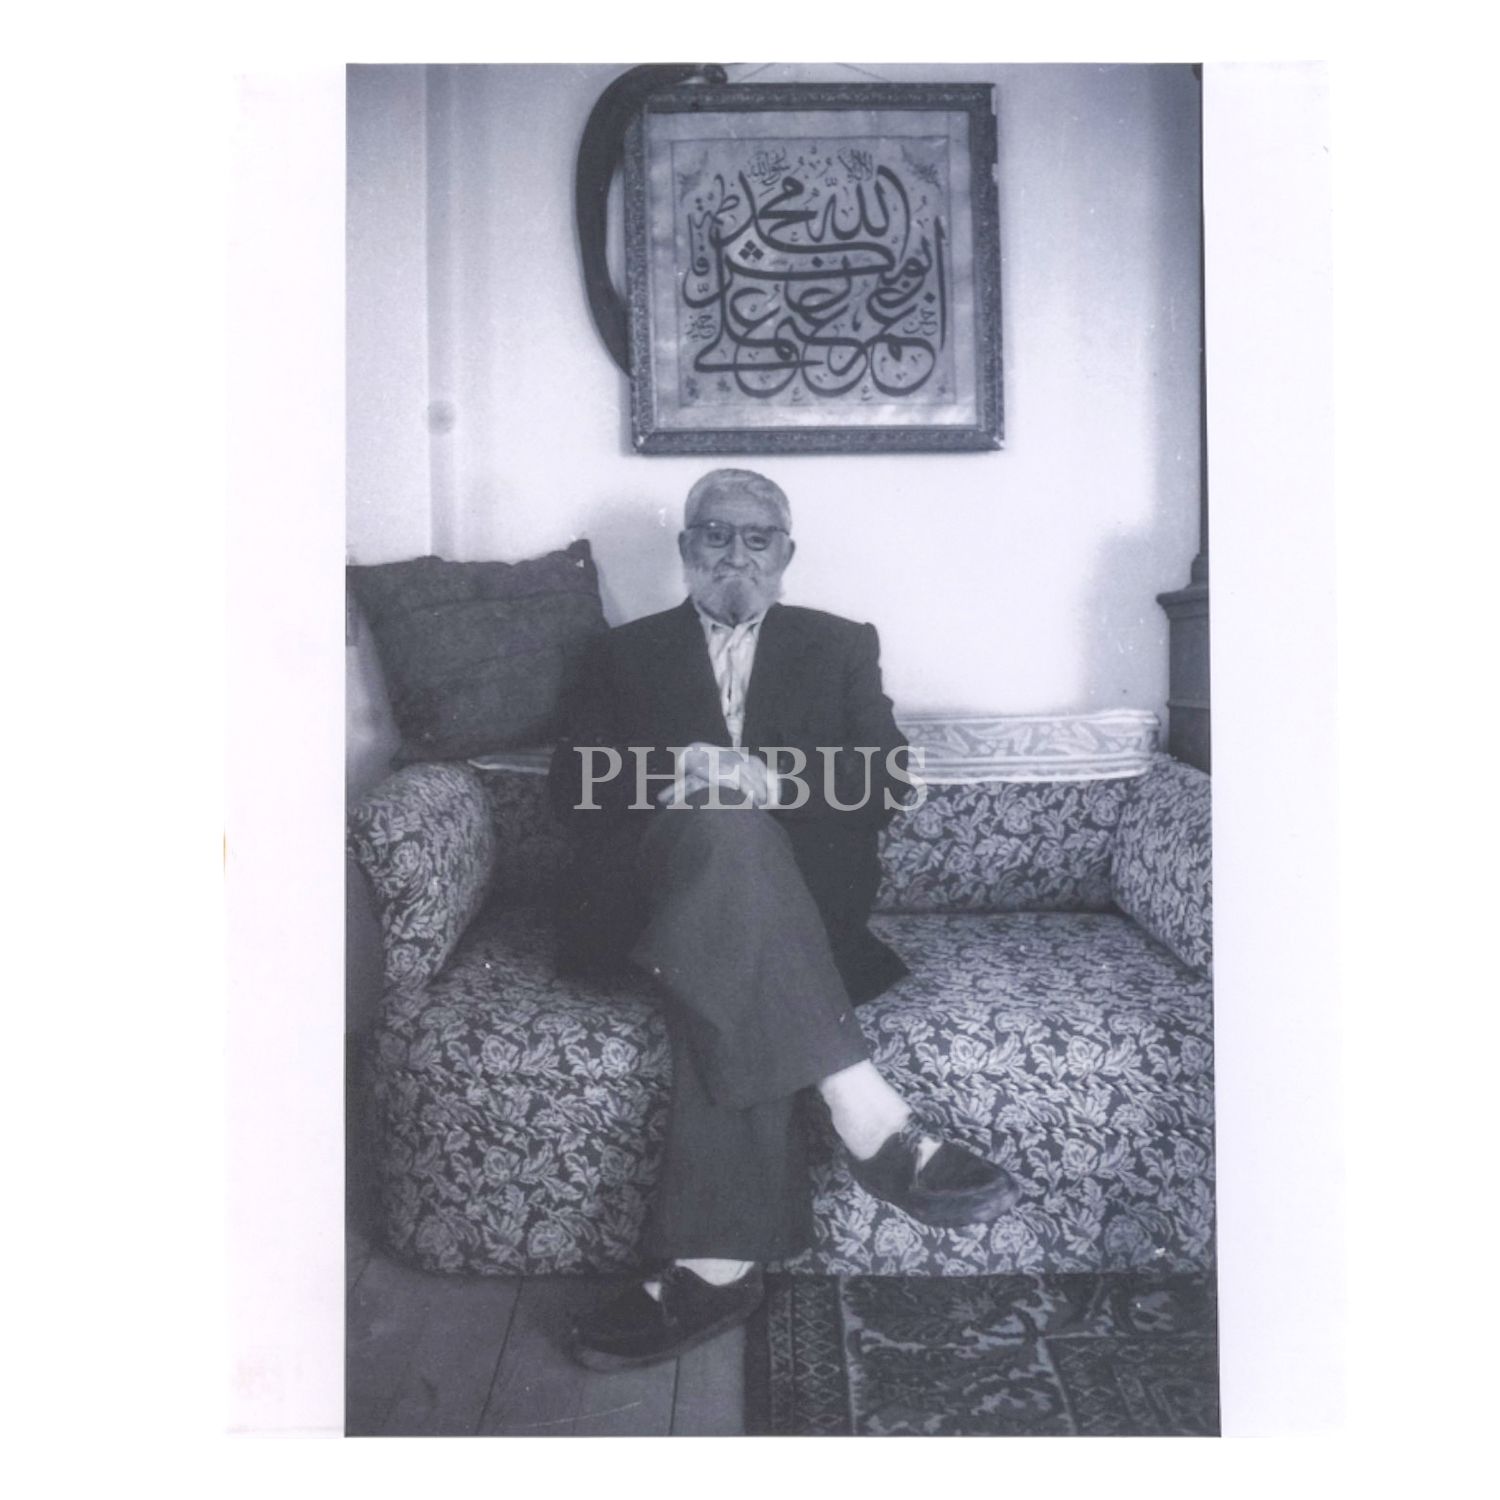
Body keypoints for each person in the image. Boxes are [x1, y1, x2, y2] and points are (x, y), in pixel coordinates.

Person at [548, 468, 1015, 1370]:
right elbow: (572, 789)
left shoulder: (839, 645)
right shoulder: (621, 654)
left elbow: (888, 778)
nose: (736, 554)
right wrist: (678, 774)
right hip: (652, 899)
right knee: (720, 843)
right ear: (685, 548)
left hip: (788, 913)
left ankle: (714, 1270)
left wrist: (774, 781)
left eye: (757, 537)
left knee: (731, 955)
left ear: (787, 555)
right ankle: (868, 1113)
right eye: (715, 534)